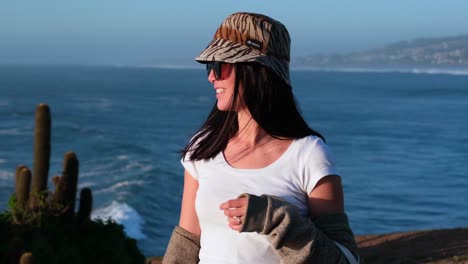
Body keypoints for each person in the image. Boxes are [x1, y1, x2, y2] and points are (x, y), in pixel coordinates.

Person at [162, 12, 359, 264]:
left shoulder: (309, 155)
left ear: (257, 71)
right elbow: (187, 241)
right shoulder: (202, 147)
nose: (212, 77)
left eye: (219, 66)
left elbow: (346, 260)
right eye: (210, 68)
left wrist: (277, 219)